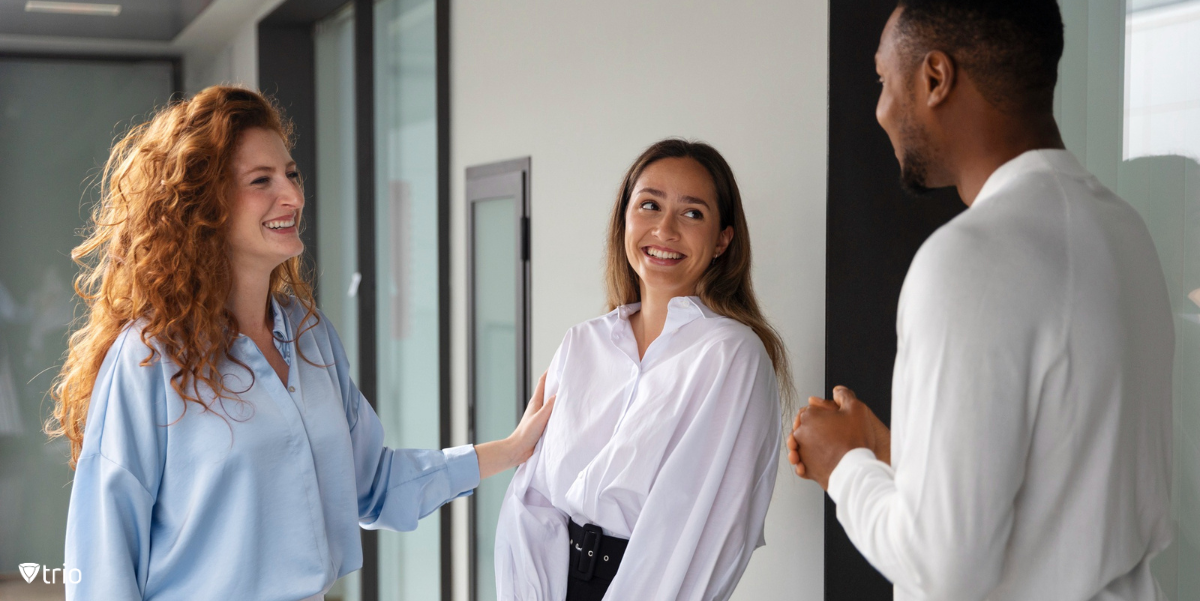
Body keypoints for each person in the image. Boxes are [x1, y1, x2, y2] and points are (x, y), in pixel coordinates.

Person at [48, 86, 554, 601]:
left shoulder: (311, 336)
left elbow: (373, 485)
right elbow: (102, 557)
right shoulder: (149, 357)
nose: (291, 195)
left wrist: (510, 450)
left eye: (290, 174)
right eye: (260, 180)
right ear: (205, 205)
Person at [787, 1, 1174, 599]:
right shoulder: (1125, 232)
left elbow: (942, 569)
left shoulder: (969, 260)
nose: (880, 110)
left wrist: (843, 466)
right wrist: (889, 449)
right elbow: (1061, 480)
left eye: (885, 82)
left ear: (935, 79)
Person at [494, 139, 792, 601]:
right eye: (649, 205)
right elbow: (531, 500)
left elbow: (704, 531)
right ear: (624, 220)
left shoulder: (732, 356)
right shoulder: (581, 344)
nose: (665, 229)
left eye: (692, 213)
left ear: (723, 240)